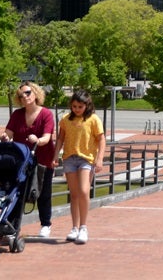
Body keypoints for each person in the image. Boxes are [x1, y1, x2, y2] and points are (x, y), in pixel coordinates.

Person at [0, 81, 56, 238]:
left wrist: (37, 140)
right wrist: (5, 137)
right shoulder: (17, 115)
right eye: (21, 95)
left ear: (35, 93)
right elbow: (8, 133)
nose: (24, 97)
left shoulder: (46, 114)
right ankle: (12, 226)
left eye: (27, 93)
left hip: (43, 159)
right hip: (22, 160)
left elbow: (46, 137)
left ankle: (45, 224)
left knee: (43, 192)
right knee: (18, 192)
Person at [56, 90, 105, 244]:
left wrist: (100, 159)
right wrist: (55, 155)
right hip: (70, 158)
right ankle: (74, 227)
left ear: (87, 105)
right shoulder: (65, 119)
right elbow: (60, 138)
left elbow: (101, 140)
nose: (76, 109)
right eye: (74, 106)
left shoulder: (93, 119)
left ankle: (84, 226)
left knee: (84, 190)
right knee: (74, 194)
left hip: (86, 158)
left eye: (80, 106)